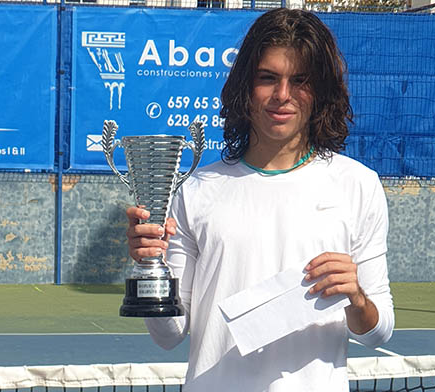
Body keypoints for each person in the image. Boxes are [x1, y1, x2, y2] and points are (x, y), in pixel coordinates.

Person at [125, 8, 394, 391]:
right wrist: (151, 267)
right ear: (245, 87)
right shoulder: (196, 190)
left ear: (320, 92)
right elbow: (168, 334)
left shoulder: (358, 185)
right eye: (268, 78)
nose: (282, 95)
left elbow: (378, 332)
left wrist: (356, 297)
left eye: (300, 81)